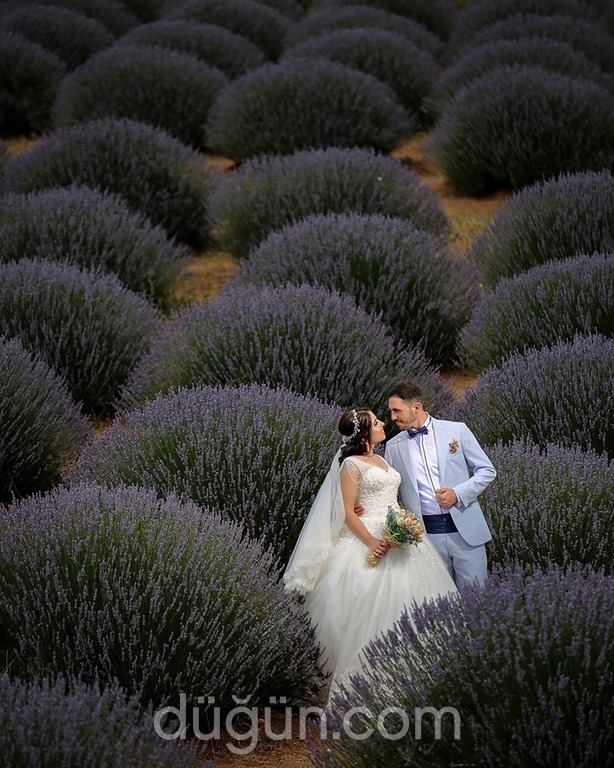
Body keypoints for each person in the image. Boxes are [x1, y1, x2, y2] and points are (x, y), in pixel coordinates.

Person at [283, 407, 458, 703]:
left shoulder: (380, 458)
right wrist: (370, 540)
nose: (382, 424)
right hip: (369, 538)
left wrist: (403, 524)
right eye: (376, 422)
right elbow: (349, 512)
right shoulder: (350, 465)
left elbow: (385, 496)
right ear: (364, 432)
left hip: (396, 530)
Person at [384, 380, 496, 593]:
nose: (393, 417)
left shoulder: (457, 430)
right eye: (391, 411)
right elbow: (389, 490)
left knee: (475, 600)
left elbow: (487, 470)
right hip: (425, 539)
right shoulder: (392, 447)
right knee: (438, 603)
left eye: (397, 410)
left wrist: (458, 493)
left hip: (466, 534)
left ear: (416, 407)